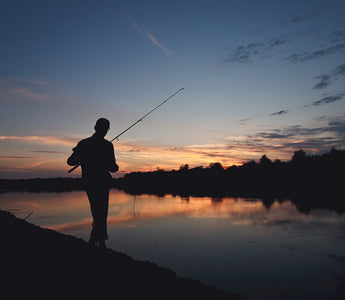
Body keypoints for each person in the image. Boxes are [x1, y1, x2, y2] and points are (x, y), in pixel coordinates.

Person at [67, 118, 118, 250]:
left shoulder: (88, 144)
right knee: (100, 211)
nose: (105, 131)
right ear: (96, 128)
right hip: (95, 181)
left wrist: (80, 155)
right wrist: (79, 155)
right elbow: (70, 161)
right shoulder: (99, 145)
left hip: (95, 181)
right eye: (104, 128)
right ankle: (99, 241)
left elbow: (112, 167)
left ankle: (96, 240)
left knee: (98, 211)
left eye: (106, 129)